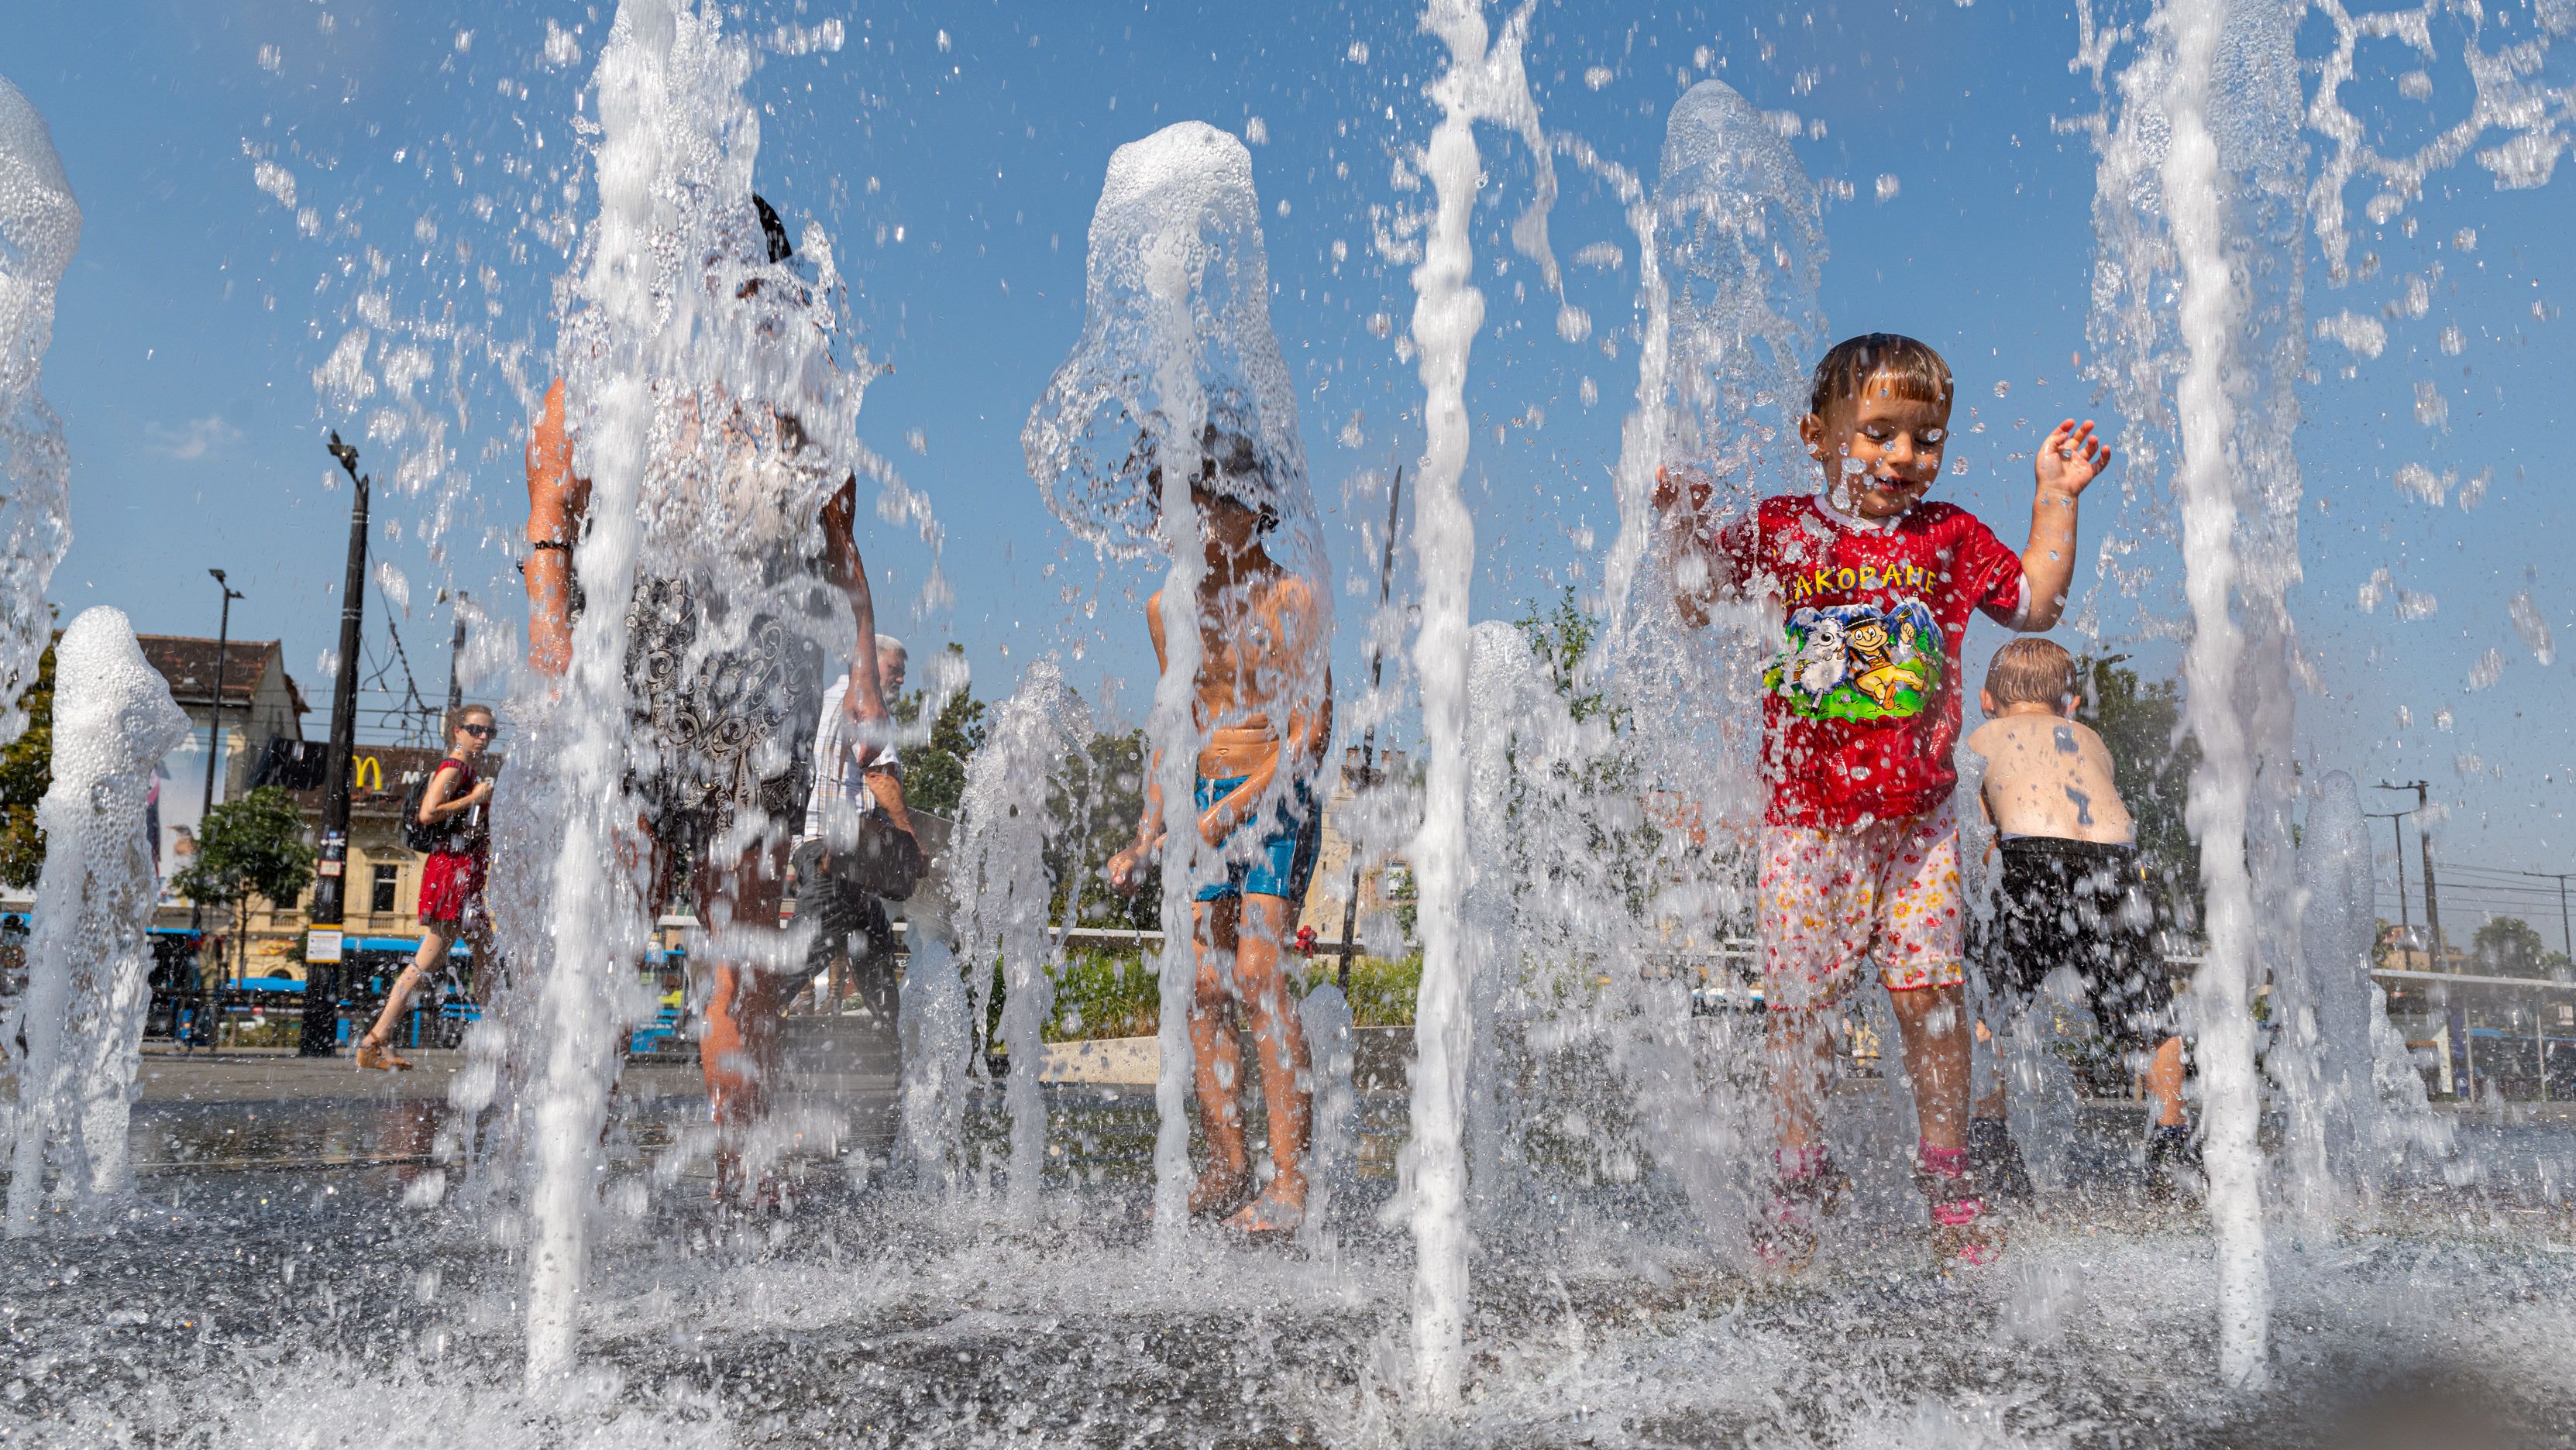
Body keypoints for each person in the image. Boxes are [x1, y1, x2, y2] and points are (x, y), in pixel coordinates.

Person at [1655, 332, 2109, 1269]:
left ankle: (1945, 1172)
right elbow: (1697, 601)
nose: (1903, 457)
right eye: (1878, 434)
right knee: (1801, 1007)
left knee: (1931, 998)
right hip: (1806, 822)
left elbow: (2034, 605)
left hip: (1917, 825)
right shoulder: (1787, 530)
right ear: (1819, 436)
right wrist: (1678, 530)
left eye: (1925, 438)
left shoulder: (1947, 537)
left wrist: (2053, 501)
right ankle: (1799, 1169)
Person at [524, 193, 892, 1204]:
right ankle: (570, 1170)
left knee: (746, 946)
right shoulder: (618, 370)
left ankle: (745, 1167)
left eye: (760, 284)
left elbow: (838, 551)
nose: (742, 297)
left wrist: (862, 682)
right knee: (611, 925)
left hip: (756, 702)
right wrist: (553, 629)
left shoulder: (801, 394)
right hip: (639, 681)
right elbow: (552, 502)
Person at [1107, 433, 1332, 1234]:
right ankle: (1227, 1167)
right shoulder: (1168, 607)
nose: (1194, 521)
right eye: (1186, 504)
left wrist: (1232, 807)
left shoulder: (1293, 596)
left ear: (1246, 507)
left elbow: (1313, 732)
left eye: (1208, 503)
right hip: (1201, 800)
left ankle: (1290, 1185)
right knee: (1204, 987)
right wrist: (1146, 830)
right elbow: (1172, 724)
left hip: (1275, 796)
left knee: (1260, 977)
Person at [1963, 637, 2192, 1198]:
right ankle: (2173, 1140)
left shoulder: (1981, 738)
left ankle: (1991, 1138)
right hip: (2112, 866)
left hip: (2027, 857)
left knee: (1985, 998)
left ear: (1986, 699)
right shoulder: (2090, 740)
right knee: (2148, 1011)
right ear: (2069, 704)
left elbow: (1976, 836)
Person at [356, 704, 496, 1071]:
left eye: (489, 732)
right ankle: (374, 1040)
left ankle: (504, 1037)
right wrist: (475, 799)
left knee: (488, 955)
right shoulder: (456, 768)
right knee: (426, 963)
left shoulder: (467, 770)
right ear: (457, 732)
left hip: (463, 875)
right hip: (453, 876)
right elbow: (428, 812)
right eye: (476, 730)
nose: (483, 738)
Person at [793, 634, 920, 1019]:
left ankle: (888, 1050)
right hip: (835, 853)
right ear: (867, 663)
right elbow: (881, 778)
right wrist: (910, 841)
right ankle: (742, 1030)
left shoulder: (826, 701)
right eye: (894, 671)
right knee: (799, 956)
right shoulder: (864, 704)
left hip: (845, 856)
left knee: (877, 949)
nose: (900, 681)